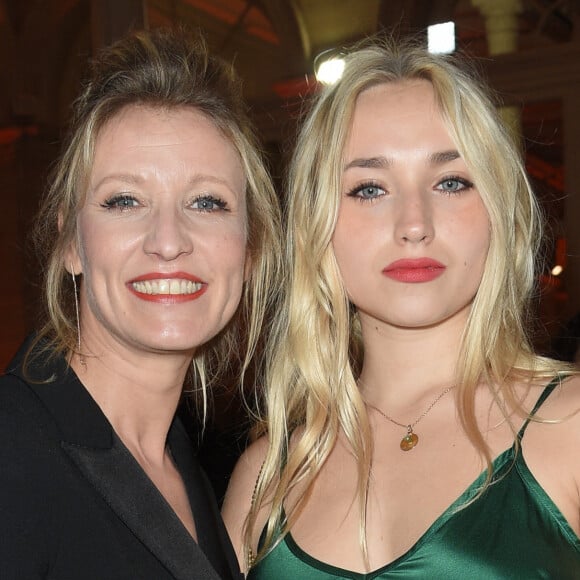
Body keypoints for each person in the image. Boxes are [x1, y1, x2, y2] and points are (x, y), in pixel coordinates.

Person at [222, 37, 580, 578]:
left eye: (452, 181)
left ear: (498, 215)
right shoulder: (265, 479)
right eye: (369, 188)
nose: (415, 223)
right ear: (317, 226)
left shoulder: (569, 423)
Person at [0, 26, 281, 580]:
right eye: (125, 200)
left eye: (206, 201)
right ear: (69, 244)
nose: (169, 239)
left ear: (250, 250)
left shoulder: (181, 467)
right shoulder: (12, 450)